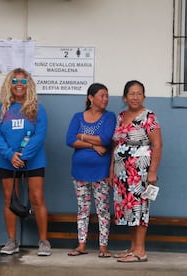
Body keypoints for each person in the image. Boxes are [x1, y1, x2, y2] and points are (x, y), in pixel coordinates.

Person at [0, 68, 51, 256]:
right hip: (8, 161)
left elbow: (40, 135)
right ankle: (11, 241)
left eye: (23, 82)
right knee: (10, 200)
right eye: (15, 81)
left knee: (37, 198)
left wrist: (23, 156)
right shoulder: (1, 108)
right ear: (10, 84)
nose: (19, 85)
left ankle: (43, 241)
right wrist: (11, 155)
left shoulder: (37, 108)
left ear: (29, 85)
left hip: (33, 161)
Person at [110, 80, 162, 263]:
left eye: (139, 93)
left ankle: (140, 251)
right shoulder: (121, 116)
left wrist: (152, 172)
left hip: (139, 172)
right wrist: (112, 171)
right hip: (122, 173)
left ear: (144, 96)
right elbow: (116, 144)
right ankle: (133, 248)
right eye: (131, 93)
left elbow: (157, 145)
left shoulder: (149, 116)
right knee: (128, 210)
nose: (135, 97)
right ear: (125, 97)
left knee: (140, 208)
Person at [65, 83, 116, 257]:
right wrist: (93, 146)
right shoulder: (78, 117)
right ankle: (81, 245)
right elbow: (70, 139)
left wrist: (82, 136)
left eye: (107, 96)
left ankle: (103, 247)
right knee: (83, 209)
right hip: (79, 171)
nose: (105, 99)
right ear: (90, 97)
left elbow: (106, 139)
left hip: (101, 172)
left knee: (102, 210)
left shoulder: (109, 117)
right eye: (102, 95)